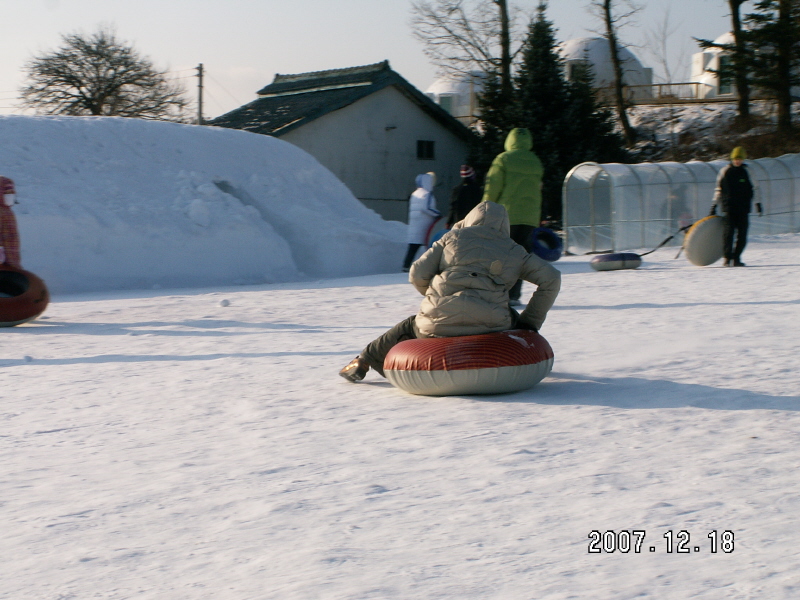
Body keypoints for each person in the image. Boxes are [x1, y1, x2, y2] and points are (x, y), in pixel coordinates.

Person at [340, 201, 561, 382]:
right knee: (511, 316)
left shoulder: (450, 238)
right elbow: (551, 279)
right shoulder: (515, 250)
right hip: (493, 324)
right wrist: (529, 324)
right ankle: (524, 357)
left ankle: (364, 360)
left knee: (409, 325)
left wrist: (436, 296)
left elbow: (416, 273)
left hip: (436, 321)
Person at [481, 127, 544, 303]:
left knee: (498, 256)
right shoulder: (535, 162)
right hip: (529, 218)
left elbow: (492, 187)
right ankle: (513, 295)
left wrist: (484, 210)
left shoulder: (503, 159)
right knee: (520, 258)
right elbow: (538, 191)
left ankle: (496, 294)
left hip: (506, 215)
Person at [710, 146, 761, 267]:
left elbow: (756, 188)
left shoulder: (748, 171)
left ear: (743, 159)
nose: (737, 161)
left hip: (743, 208)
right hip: (729, 207)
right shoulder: (725, 171)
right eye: (735, 159)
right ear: (732, 159)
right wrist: (714, 205)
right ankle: (727, 258)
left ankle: (737, 258)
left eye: (740, 159)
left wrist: (758, 203)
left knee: (742, 235)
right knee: (728, 234)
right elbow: (718, 189)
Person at [402, 172, 441, 272]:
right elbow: (427, 208)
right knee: (429, 246)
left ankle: (406, 265)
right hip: (424, 225)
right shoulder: (427, 194)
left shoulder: (414, 193)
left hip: (414, 225)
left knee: (413, 247)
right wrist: (438, 214)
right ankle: (428, 266)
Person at [0, 176, 20, 268]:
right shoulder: (4, 213)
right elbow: (9, 237)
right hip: (5, 261)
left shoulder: (8, 212)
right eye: (7, 193)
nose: (10, 196)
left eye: (11, 193)